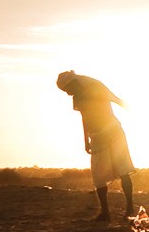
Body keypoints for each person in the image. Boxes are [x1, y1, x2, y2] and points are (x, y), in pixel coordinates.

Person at [57, 70, 136, 222]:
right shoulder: (78, 96)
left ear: (72, 83)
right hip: (97, 136)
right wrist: (85, 140)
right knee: (98, 175)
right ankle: (105, 213)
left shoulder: (95, 87)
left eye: (67, 89)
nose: (67, 94)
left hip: (113, 132)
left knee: (123, 169)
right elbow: (84, 118)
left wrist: (135, 110)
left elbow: (116, 99)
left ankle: (130, 208)